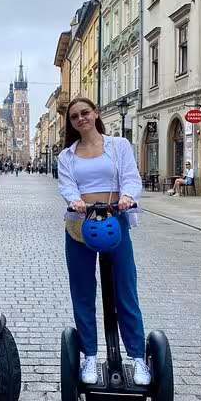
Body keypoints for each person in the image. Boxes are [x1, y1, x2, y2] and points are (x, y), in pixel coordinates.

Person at [57, 97, 151, 386]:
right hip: (80, 225)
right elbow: (67, 185)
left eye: (85, 113)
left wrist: (127, 197)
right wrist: (75, 201)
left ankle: (137, 357)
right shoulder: (67, 156)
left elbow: (131, 178)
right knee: (83, 290)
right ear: (71, 123)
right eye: (75, 116)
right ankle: (88, 356)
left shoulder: (118, 145)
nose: (81, 118)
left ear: (95, 114)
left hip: (114, 220)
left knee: (125, 288)